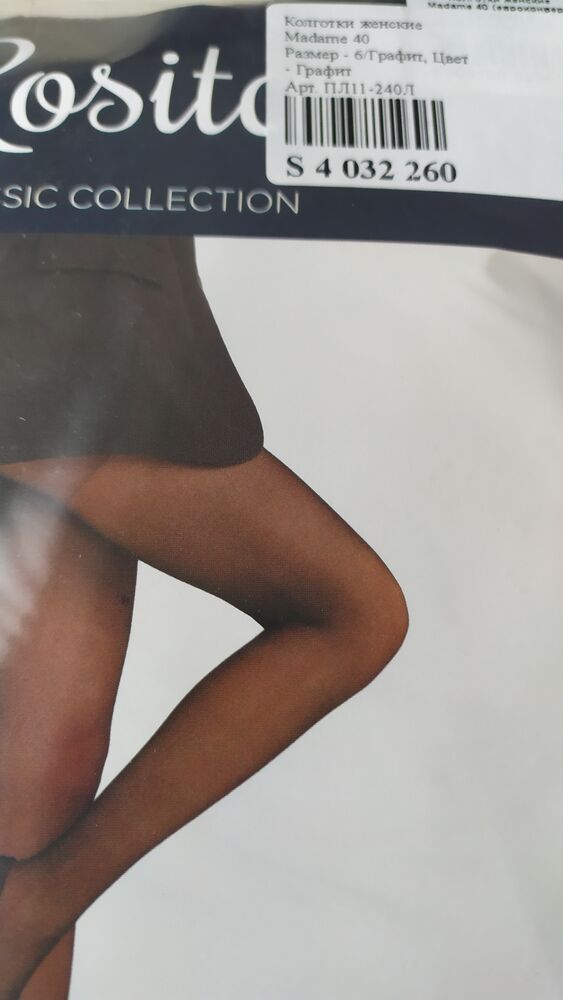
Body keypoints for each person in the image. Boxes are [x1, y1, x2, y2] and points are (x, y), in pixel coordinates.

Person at [0, 227, 409, 1000]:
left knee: (43, 789)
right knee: (351, 613)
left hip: (93, 271)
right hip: (59, 279)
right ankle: (28, 909)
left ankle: (28, 906)